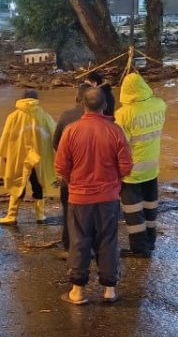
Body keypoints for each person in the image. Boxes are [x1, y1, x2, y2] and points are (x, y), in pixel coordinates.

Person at [54, 87, 133, 305]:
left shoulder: (71, 130)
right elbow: (126, 167)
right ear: (105, 105)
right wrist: (113, 182)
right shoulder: (115, 130)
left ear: (82, 105)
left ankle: (78, 292)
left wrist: (73, 183)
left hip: (79, 198)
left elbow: (61, 166)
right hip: (108, 198)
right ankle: (109, 290)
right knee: (108, 240)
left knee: (79, 241)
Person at [113, 72, 166, 256]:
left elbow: (120, 143)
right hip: (152, 168)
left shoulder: (123, 114)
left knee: (134, 211)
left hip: (132, 173)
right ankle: (151, 241)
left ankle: (139, 248)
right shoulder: (160, 105)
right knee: (151, 206)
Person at [0, 89, 57, 226]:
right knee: (38, 184)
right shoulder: (44, 116)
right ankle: (40, 215)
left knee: (17, 183)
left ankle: (11, 216)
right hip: (39, 157)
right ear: (36, 99)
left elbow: (5, 137)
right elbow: (54, 133)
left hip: (18, 156)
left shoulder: (13, 117)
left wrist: (3, 155)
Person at [52, 83, 90, 251]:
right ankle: (90, 245)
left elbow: (56, 144)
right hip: (94, 175)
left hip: (70, 174)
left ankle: (68, 244)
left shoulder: (66, 117)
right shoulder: (104, 118)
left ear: (77, 98)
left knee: (68, 210)